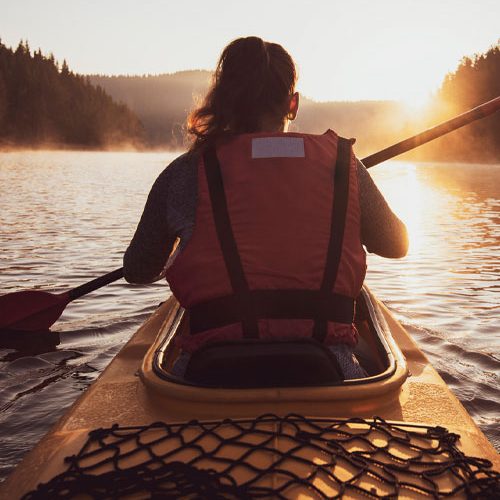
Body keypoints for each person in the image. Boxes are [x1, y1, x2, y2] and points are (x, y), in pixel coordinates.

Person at [123, 36, 408, 380]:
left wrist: (179, 250)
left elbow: (138, 269)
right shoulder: (343, 166)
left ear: (224, 101)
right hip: (327, 371)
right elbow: (397, 245)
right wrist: (349, 185)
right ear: (293, 104)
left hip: (206, 378)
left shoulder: (184, 172)